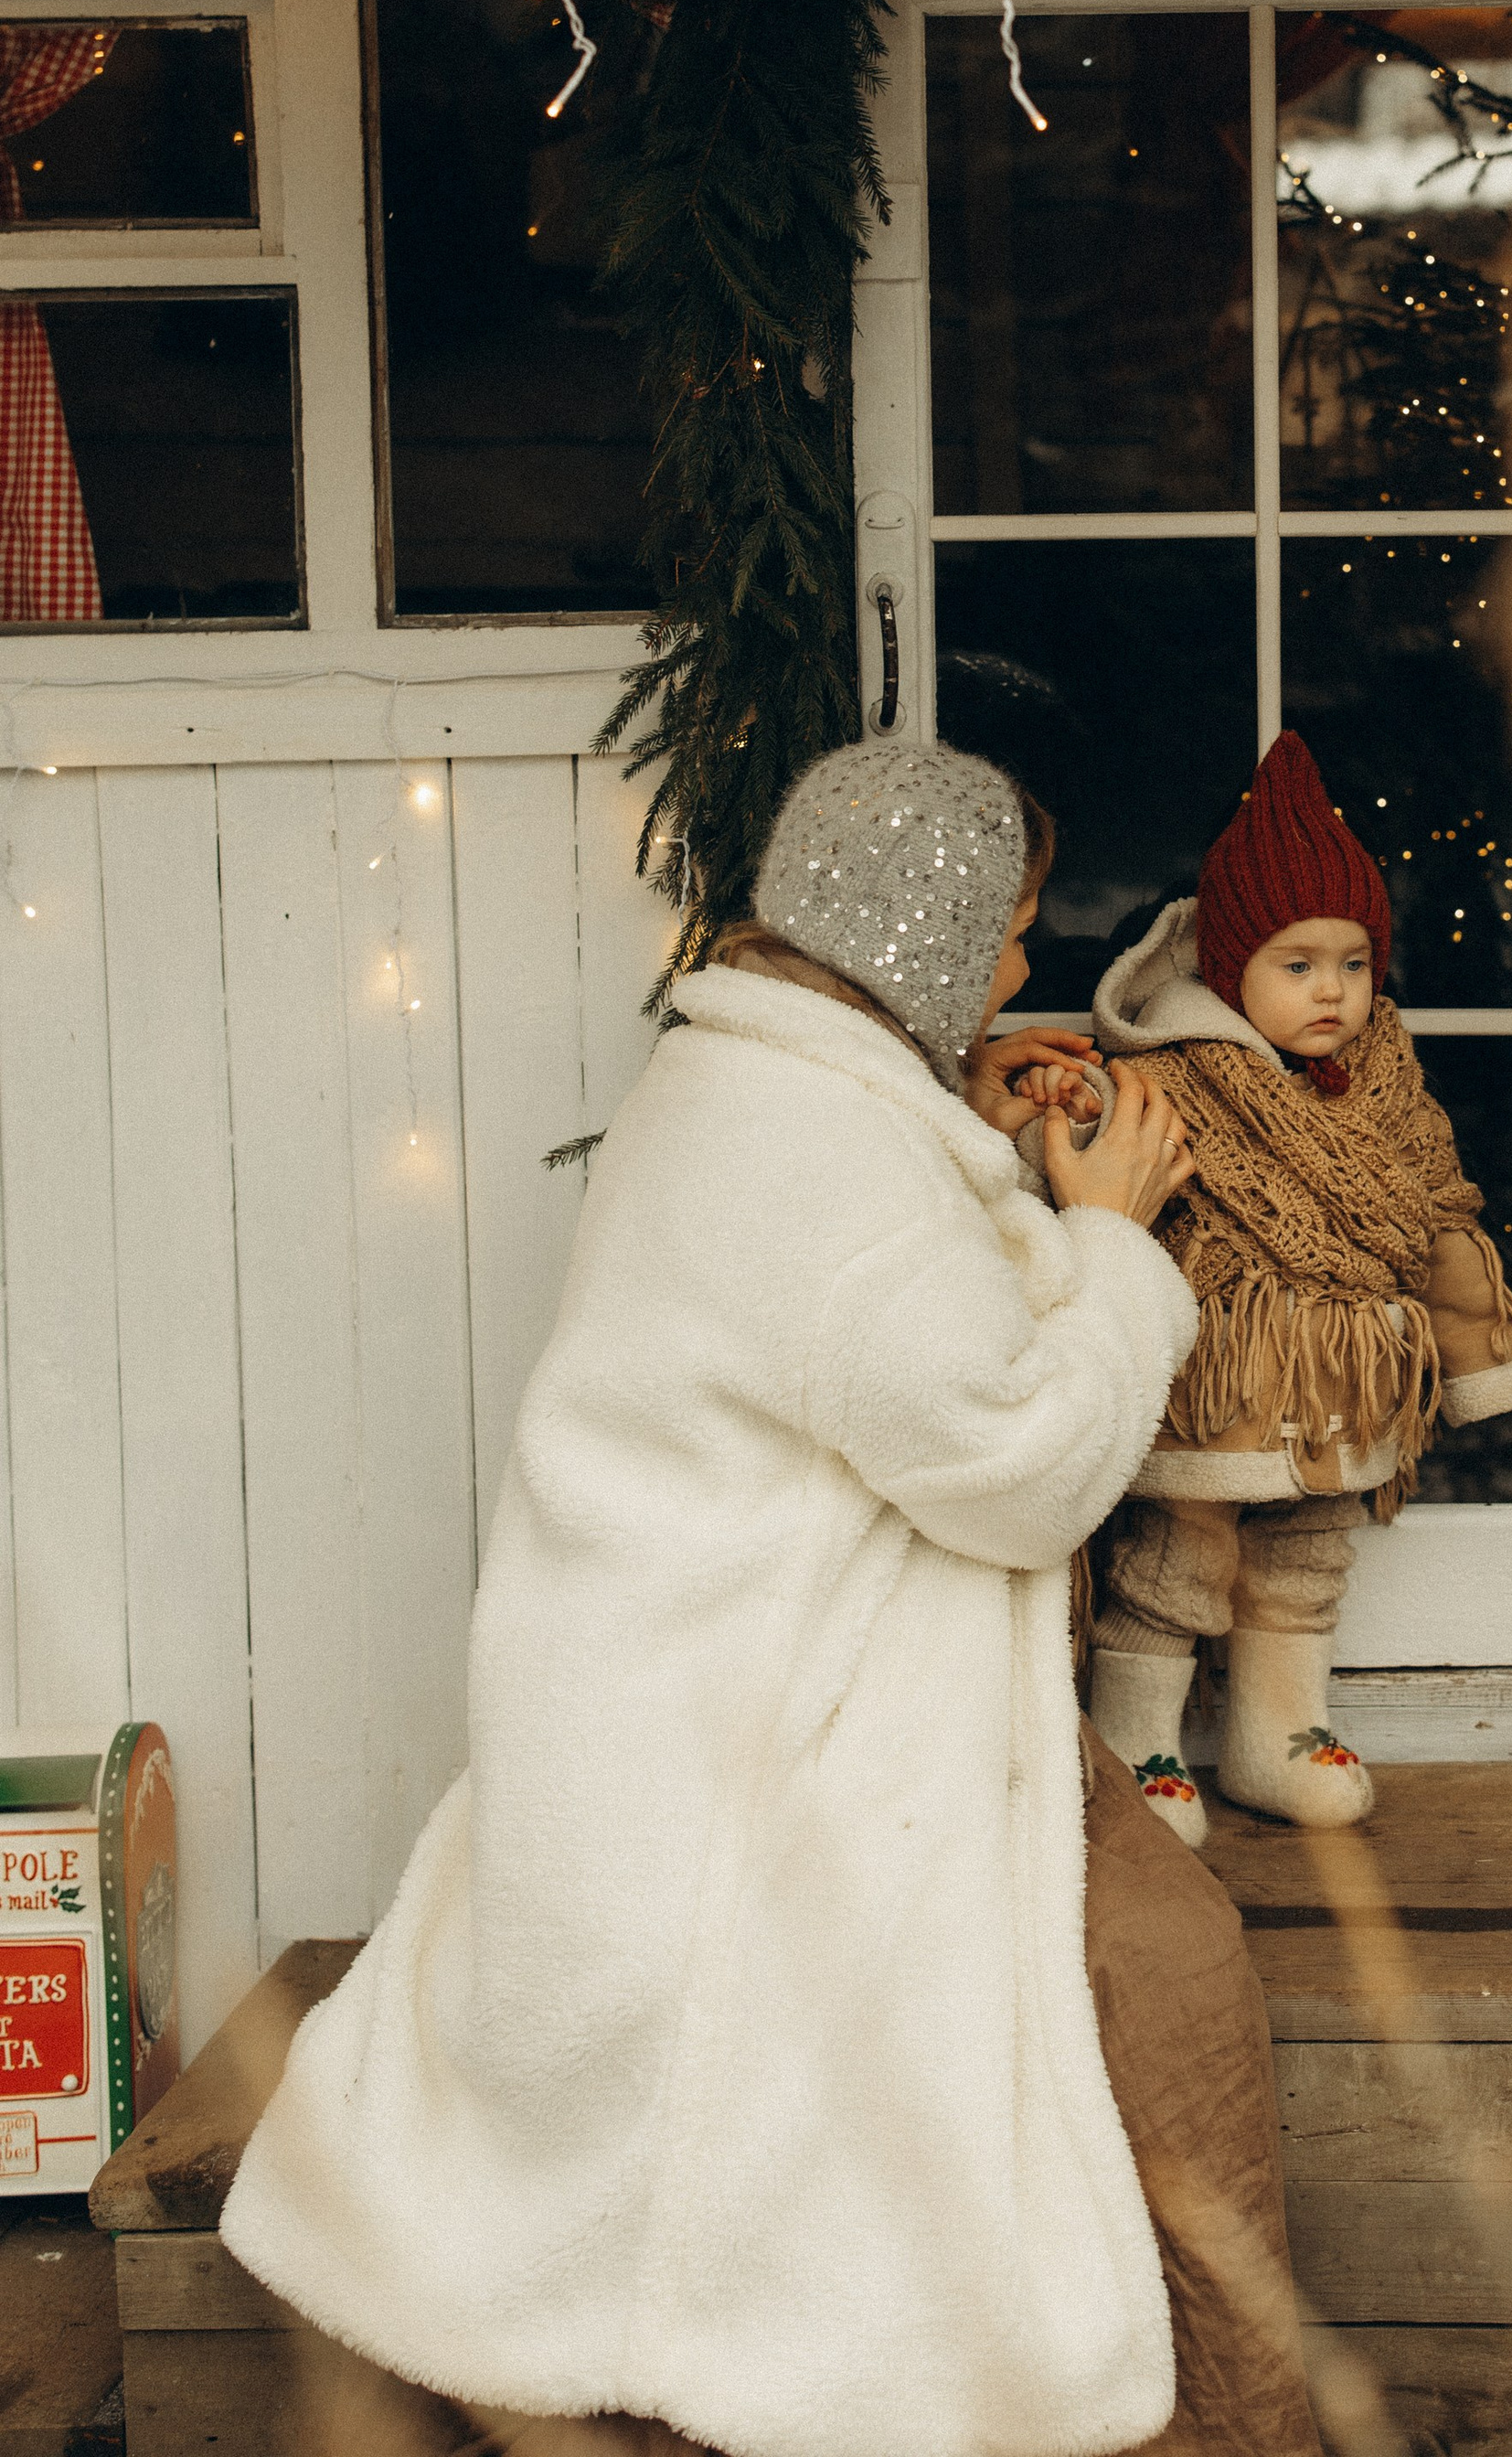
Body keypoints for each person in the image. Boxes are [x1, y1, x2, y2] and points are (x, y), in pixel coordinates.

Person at [222, 740, 1322, 2457]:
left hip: (647, 1710)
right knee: (1166, 1983)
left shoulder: (747, 1093)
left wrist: (983, 1143)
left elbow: (878, 1356)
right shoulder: (830, 1172)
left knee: (1144, 1956)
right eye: (1014, 934)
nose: (1030, 968)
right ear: (934, 941)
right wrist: (1109, 1239)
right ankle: (1194, 2421)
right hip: (742, 1767)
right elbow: (1019, 1463)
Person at [1084, 732, 1512, 1843]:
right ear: (1228, 966)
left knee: (1305, 1560)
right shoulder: (1174, 1078)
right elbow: (1109, 1194)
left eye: (1352, 962)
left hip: (1346, 1384)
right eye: (1296, 966)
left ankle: (1275, 1739)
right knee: (1176, 1565)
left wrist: (1478, 1355)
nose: (1333, 991)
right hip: (1217, 1386)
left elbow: (1436, 1213)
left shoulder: (1391, 1082)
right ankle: (1134, 1740)